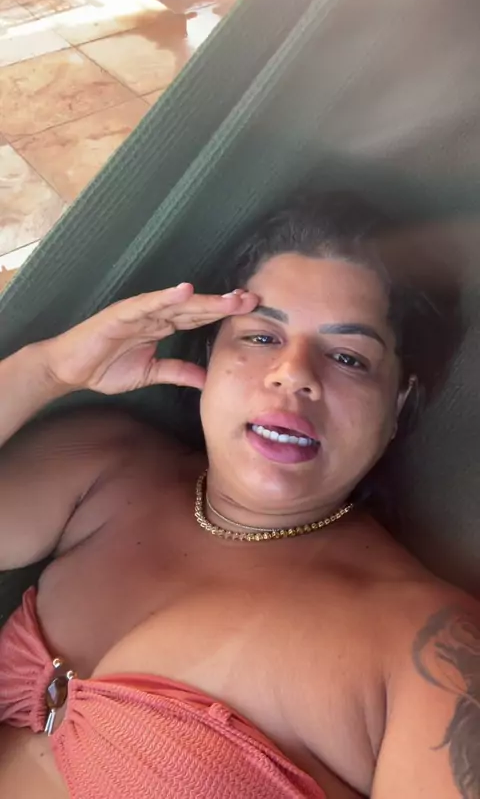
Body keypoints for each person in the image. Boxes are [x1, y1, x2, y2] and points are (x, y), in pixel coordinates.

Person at [0, 192, 478, 799]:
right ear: (209, 351)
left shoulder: (429, 648)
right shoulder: (102, 467)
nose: (293, 374)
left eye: (348, 357)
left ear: (399, 403)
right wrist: (44, 372)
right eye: (260, 337)